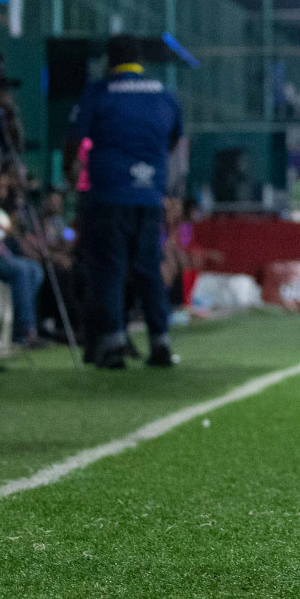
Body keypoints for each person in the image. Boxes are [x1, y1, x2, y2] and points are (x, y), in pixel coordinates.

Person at [66, 35, 185, 369]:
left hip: (108, 196)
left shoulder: (100, 92)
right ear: (140, 60)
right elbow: (175, 142)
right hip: (148, 197)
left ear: (110, 60)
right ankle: (161, 342)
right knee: (149, 270)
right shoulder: (164, 95)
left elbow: (75, 139)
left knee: (109, 271)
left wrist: (69, 175)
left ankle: (113, 343)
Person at [0, 171, 44, 349]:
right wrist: (0, 232)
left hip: (4, 256)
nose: (1, 192)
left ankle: (23, 323)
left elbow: (11, 236)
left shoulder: (3, 210)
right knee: (21, 270)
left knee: (35, 269)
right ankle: (25, 330)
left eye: (4, 188)